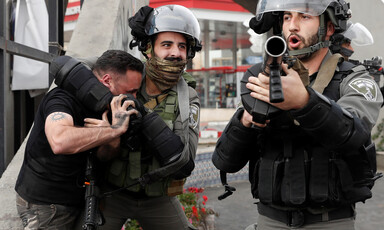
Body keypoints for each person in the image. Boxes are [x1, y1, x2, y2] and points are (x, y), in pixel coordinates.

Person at [212, 0, 383, 229]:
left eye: (305, 16)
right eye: (286, 17)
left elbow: (354, 133)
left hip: (329, 221)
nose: (292, 26)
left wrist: (304, 102)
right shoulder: (266, 80)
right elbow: (226, 161)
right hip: (269, 221)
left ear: (329, 27)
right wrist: (247, 120)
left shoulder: (355, 79)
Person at [98, 4, 202, 230]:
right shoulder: (127, 77)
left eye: (182, 46)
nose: (175, 53)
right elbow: (90, 70)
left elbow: (186, 159)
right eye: (166, 44)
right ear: (148, 48)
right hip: (114, 193)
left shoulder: (188, 98)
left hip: (159, 199)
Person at [15, 50, 144, 230]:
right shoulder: (62, 98)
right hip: (47, 205)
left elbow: (104, 156)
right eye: (131, 92)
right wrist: (114, 129)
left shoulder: (110, 106)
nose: (134, 98)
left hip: (81, 199)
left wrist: (112, 137)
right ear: (107, 80)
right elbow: (60, 141)